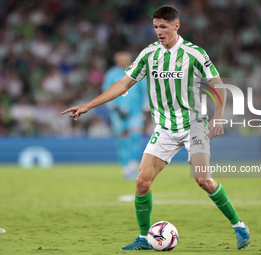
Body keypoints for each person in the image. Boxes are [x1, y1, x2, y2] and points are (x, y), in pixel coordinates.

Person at [61, 5, 251, 251]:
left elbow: (218, 84)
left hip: (194, 124)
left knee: (203, 179)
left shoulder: (194, 53)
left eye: (163, 26)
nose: (159, 31)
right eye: (155, 27)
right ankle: (143, 239)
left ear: (176, 26)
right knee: (142, 182)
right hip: (164, 128)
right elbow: (122, 83)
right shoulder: (149, 54)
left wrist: (219, 116)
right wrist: (89, 105)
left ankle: (239, 226)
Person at [102, 51, 148, 180]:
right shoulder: (111, 74)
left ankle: (133, 166)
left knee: (135, 137)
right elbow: (106, 91)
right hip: (118, 112)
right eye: (120, 59)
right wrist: (114, 107)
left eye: (125, 59)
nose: (123, 61)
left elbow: (145, 91)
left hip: (135, 112)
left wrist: (145, 107)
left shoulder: (137, 71)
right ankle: (124, 167)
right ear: (116, 60)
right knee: (122, 140)